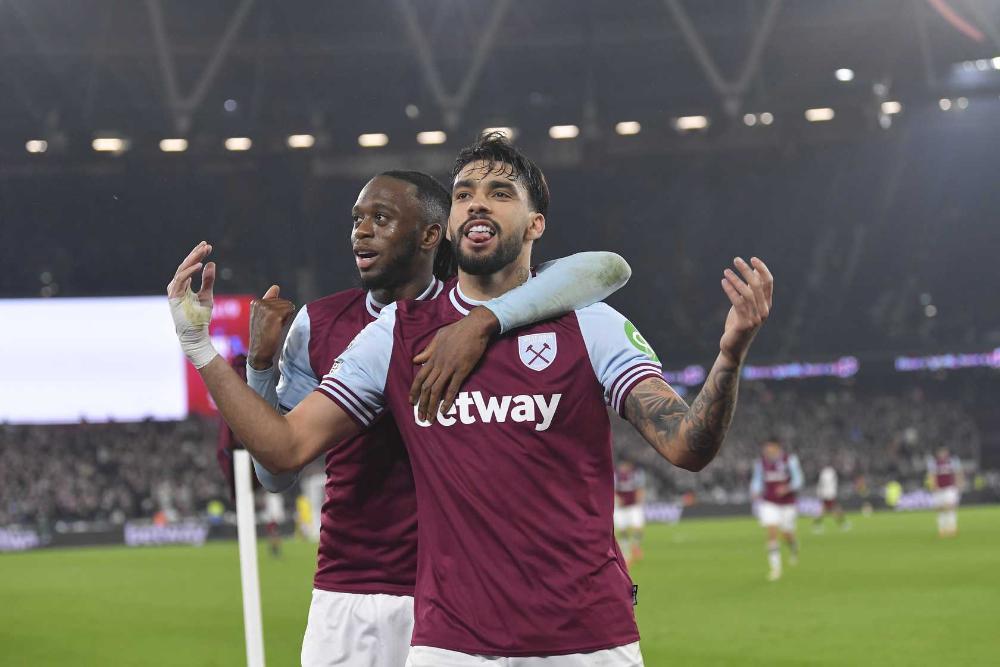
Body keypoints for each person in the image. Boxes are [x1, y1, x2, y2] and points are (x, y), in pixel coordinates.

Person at [168, 133, 774, 665]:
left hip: (587, 639)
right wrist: (200, 348)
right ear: (451, 225)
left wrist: (730, 355)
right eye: (463, 193)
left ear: (536, 225)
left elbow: (688, 445)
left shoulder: (590, 325)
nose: (478, 201)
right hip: (450, 645)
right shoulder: (396, 335)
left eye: (502, 192)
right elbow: (286, 446)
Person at [221, 168, 633, 666]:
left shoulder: (474, 316)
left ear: (431, 235)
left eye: (380, 218)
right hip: (348, 585)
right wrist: (259, 366)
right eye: (357, 219)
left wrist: (484, 320)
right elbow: (276, 470)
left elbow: (605, 269)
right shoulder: (319, 323)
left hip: (449, 597)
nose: (362, 231)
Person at [750, 438, 803, 581]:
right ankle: (775, 568)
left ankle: (793, 547)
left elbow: (798, 480)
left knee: (786, 534)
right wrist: (755, 490)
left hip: (787, 504)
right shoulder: (761, 463)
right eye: (766, 449)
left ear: (778, 448)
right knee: (772, 532)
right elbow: (757, 480)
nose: (768, 451)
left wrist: (787, 488)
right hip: (769, 502)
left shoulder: (789, 460)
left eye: (771, 448)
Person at [614, 460, 647, 565]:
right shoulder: (615, 475)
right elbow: (612, 489)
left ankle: (635, 546)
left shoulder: (635, 474)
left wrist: (639, 499)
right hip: (621, 508)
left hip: (633, 506)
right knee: (622, 530)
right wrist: (617, 499)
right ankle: (626, 552)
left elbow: (639, 488)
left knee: (638, 527)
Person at [927, 447, 963, 538]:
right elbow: (932, 475)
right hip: (938, 489)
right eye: (940, 452)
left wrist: (959, 484)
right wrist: (933, 486)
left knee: (950, 507)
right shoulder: (934, 463)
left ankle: (952, 528)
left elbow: (958, 472)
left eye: (944, 451)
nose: (942, 454)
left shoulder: (952, 461)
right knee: (940, 509)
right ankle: (942, 530)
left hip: (949, 488)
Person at [813, 463, 849, 532]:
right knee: (833, 509)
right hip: (829, 494)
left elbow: (822, 483)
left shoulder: (824, 472)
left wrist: (820, 492)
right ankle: (842, 523)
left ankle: (817, 524)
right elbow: (829, 484)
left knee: (827, 509)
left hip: (825, 493)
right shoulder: (831, 472)